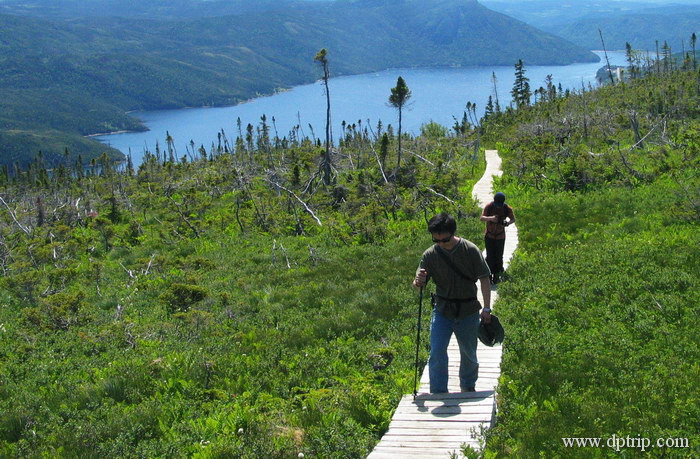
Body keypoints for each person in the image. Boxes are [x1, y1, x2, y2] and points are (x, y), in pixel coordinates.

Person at [413, 213, 492, 394]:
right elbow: (418, 286)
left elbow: (485, 279)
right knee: (437, 352)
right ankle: (439, 391)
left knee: (468, 354)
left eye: (445, 239)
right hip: (442, 310)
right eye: (436, 240)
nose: (441, 243)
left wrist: (486, 308)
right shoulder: (429, 255)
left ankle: (467, 386)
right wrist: (418, 281)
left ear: (453, 233)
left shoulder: (470, 250)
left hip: (469, 310)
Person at [480, 192, 515, 284]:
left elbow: (513, 219)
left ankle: (497, 275)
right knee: (490, 256)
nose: (499, 206)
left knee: (499, 257)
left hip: (500, 236)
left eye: (500, 205)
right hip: (489, 235)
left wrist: (507, 223)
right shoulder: (489, 206)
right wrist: (491, 218)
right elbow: (482, 218)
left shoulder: (507, 208)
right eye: (497, 205)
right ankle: (489, 275)